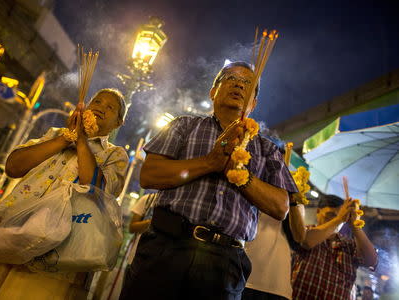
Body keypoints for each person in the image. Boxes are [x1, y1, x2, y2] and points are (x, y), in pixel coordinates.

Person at [119, 61, 298, 300]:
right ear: (213, 92)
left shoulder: (268, 150)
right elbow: (150, 174)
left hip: (225, 263)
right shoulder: (183, 125)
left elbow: (280, 206)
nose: (238, 84)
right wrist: (210, 163)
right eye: (230, 78)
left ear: (253, 103)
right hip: (165, 247)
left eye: (248, 83)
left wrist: (240, 175)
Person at [0, 88, 129, 300]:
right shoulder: (55, 134)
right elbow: (13, 167)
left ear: (118, 123)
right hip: (9, 233)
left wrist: (82, 140)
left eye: (110, 107)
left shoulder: (115, 154)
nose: (100, 108)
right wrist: (66, 138)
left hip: (55, 251)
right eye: (97, 102)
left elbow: (96, 188)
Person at [291, 194, 378, 300]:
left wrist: (356, 226)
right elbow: (306, 241)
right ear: (318, 212)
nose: (336, 219)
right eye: (330, 214)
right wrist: (339, 218)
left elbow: (371, 261)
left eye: (340, 215)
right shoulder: (305, 231)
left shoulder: (349, 244)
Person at [242, 202, 306, 300]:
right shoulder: (252, 189)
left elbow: (300, 237)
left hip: (277, 285)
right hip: (246, 278)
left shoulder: (295, 202)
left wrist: (292, 200)